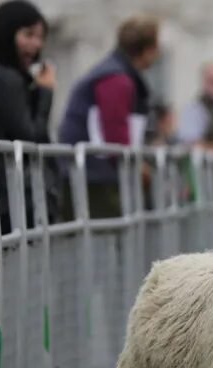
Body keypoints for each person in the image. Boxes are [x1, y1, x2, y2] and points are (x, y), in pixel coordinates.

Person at [0, 0, 57, 234]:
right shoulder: (3, 78)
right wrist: (45, 93)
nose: (36, 44)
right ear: (7, 33)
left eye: (40, 36)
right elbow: (31, 137)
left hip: (4, 190)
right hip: (6, 193)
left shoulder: (0, 73)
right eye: (28, 34)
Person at [59, 15, 160, 218]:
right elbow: (116, 133)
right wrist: (138, 166)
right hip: (95, 179)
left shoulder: (114, 72)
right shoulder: (117, 79)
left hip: (91, 174)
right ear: (147, 49)